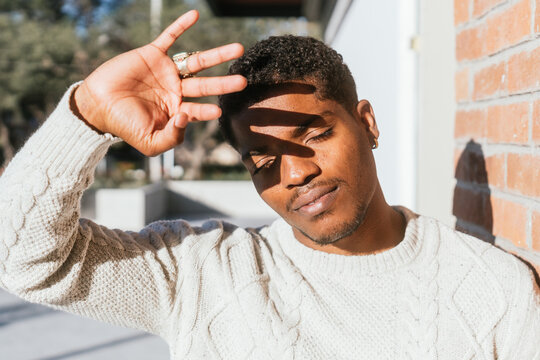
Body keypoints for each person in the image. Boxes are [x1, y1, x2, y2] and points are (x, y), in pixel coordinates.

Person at [0, 9, 538, 360]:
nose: (295, 173)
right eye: (263, 160)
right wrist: (87, 115)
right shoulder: (204, 273)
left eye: (315, 133)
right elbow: (26, 261)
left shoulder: (493, 290)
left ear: (367, 124)